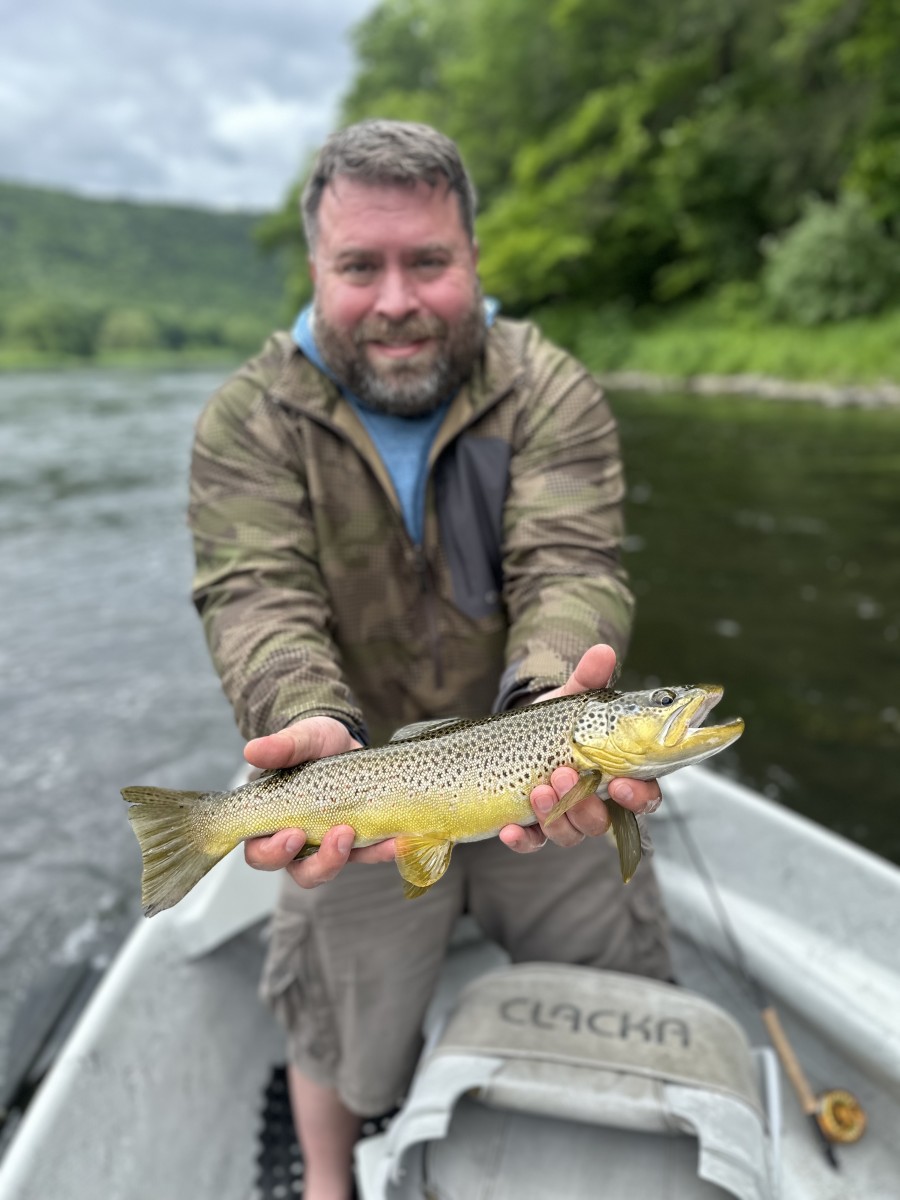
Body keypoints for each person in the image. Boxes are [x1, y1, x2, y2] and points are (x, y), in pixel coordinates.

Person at [188, 118, 670, 1200]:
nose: (397, 299)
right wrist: (307, 718)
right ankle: (326, 1180)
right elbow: (255, 596)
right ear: (316, 269)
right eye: (361, 266)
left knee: (615, 977)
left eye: (429, 262)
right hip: (354, 781)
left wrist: (555, 701)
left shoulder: (550, 391)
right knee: (342, 1023)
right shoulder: (247, 424)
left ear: (474, 261)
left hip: (542, 765)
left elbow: (571, 563)